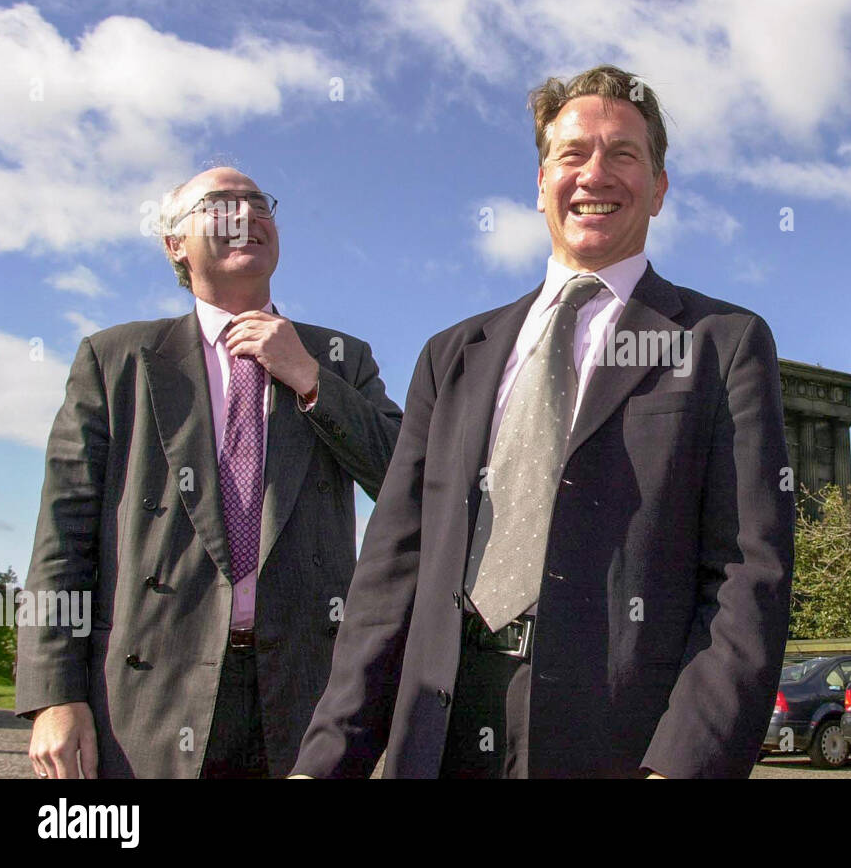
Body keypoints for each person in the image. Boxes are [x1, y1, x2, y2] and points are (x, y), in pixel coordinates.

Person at [292, 65, 794, 779]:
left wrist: (682, 767)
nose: (596, 173)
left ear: (659, 189)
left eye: (624, 154)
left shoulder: (724, 342)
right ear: (539, 184)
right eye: (573, 153)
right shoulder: (451, 356)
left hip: (616, 739)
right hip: (440, 734)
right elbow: (390, 572)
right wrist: (326, 759)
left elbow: (749, 577)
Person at [16, 166, 403, 778]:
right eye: (222, 205)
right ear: (175, 243)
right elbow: (61, 539)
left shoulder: (338, 357)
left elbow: (405, 483)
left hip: (304, 696)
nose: (247, 213)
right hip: (148, 700)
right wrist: (53, 695)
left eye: (259, 202)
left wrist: (309, 380)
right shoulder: (115, 359)